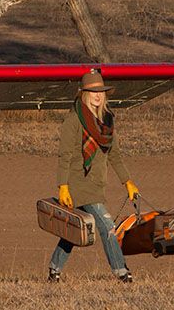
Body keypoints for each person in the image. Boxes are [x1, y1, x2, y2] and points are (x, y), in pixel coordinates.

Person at [48, 70, 139, 283]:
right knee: (107, 225)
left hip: (98, 183)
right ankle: (121, 271)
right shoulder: (73, 120)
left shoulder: (107, 120)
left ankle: (54, 269)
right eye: (92, 91)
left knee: (74, 231)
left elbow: (114, 155)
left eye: (101, 91)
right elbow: (65, 156)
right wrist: (63, 186)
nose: (97, 95)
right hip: (79, 183)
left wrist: (128, 182)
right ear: (83, 93)